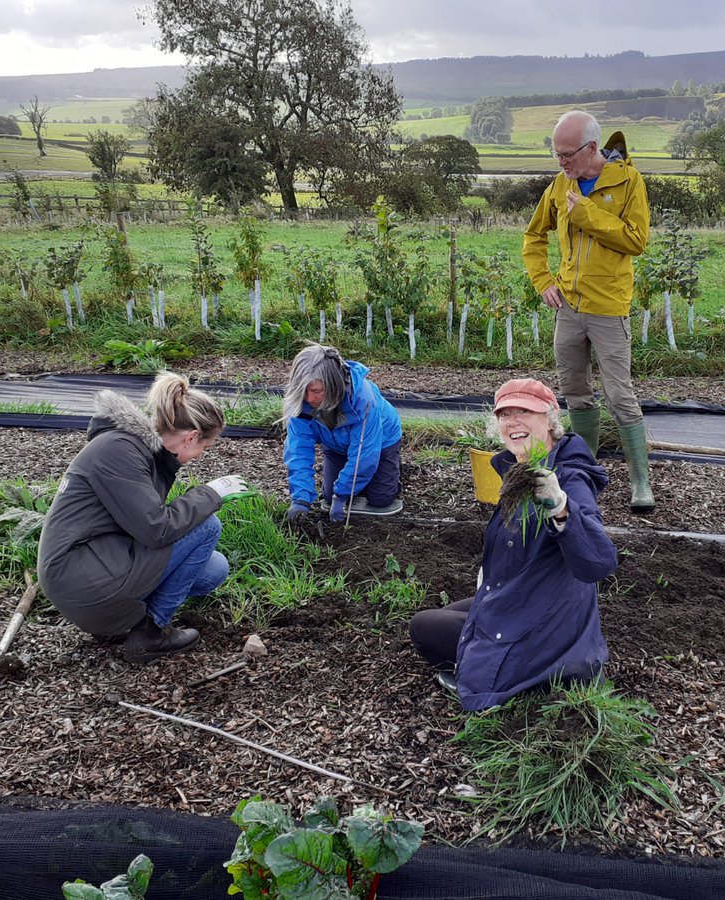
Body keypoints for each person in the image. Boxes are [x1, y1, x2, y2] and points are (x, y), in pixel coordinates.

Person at [409, 378, 617, 711]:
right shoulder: (521, 469)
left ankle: (522, 677)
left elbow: (598, 562)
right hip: (532, 594)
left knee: (424, 627)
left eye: (524, 412)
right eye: (505, 414)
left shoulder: (568, 477)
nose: (513, 421)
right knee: (452, 614)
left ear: (549, 420)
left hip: (545, 620)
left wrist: (561, 507)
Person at [37, 373, 249, 665]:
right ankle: (150, 633)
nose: (201, 455)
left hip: (95, 566)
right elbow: (156, 529)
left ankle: (121, 623)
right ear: (190, 437)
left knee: (213, 569)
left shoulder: (140, 451)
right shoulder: (119, 451)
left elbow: (142, 524)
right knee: (207, 526)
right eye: (205, 447)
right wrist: (211, 494)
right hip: (79, 577)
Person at [521, 108, 655, 512]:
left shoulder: (627, 182)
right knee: (576, 395)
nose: (561, 163)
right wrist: (543, 281)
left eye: (566, 155)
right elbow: (533, 235)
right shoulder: (561, 184)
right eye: (556, 155)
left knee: (619, 396)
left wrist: (587, 214)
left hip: (609, 308)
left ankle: (641, 484)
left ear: (592, 148)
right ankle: (585, 475)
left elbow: (636, 240)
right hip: (569, 308)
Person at [281, 344, 404, 523]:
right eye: (304, 390)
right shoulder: (301, 405)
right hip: (335, 445)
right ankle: (358, 479)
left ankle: (389, 469)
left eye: (316, 391)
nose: (309, 399)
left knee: (381, 499)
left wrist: (342, 494)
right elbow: (298, 451)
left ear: (333, 385)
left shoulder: (363, 401)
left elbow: (365, 454)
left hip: (381, 441)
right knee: (330, 497)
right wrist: (300, 499)